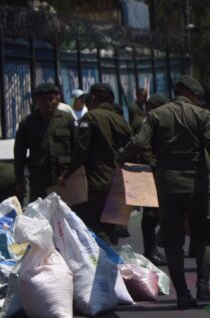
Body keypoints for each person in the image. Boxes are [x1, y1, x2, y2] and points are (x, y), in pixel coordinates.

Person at [118, 75, 210, 309]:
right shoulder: (202, 116)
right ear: (191, 94)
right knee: (202, 237)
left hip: (168, 186)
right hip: (196, 186)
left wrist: (118, 157)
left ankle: (182, 294)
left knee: (173, 241)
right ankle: (203, 286)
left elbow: (139, 142)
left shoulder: (157, 115)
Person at [59, 83, 133, 243]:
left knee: (85, 219)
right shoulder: (122, 121)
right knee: (112, 227)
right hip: (120, 183)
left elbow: (81, 151)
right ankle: (112, 259)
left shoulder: (90, 117)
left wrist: (66, 174)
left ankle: (103, 248)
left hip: (96, 183)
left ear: (92, 98)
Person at [122, 92, 169, 266]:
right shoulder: (145, 123)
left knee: (154, 214)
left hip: (149, 171)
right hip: (147, 173)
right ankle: (150, 250)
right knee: (151, 215)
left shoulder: (151, 121)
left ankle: (152, 249)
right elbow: (144, 148)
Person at [14, 82, 75, 204]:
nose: (48, 103)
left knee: (65, 216)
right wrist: (19, 180)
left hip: (63, 178)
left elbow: (76, 147)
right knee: (40, 217)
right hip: (39, 180)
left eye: (51, 99)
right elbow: (19, 153)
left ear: (57, 99)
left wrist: (72, 174)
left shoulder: (67, 119)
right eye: (43, 99)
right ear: (36, 100)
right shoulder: (28, 123)